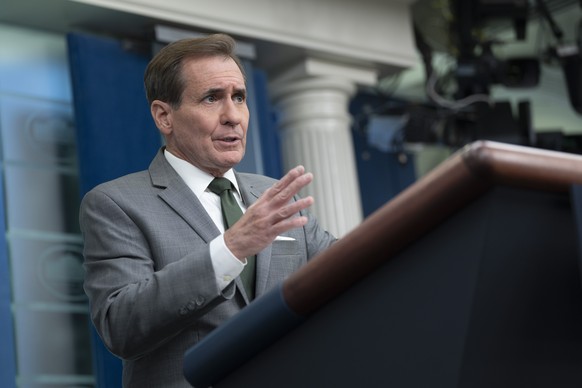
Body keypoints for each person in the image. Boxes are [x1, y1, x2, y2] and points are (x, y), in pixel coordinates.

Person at [79, 33, 337, 388]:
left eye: (239, 97)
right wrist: (229, 250)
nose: (233, 116)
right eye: (212, 98)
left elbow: (346, 273)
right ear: (164, 116)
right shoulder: (115, 203)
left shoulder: (275, 196)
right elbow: (121, 325)